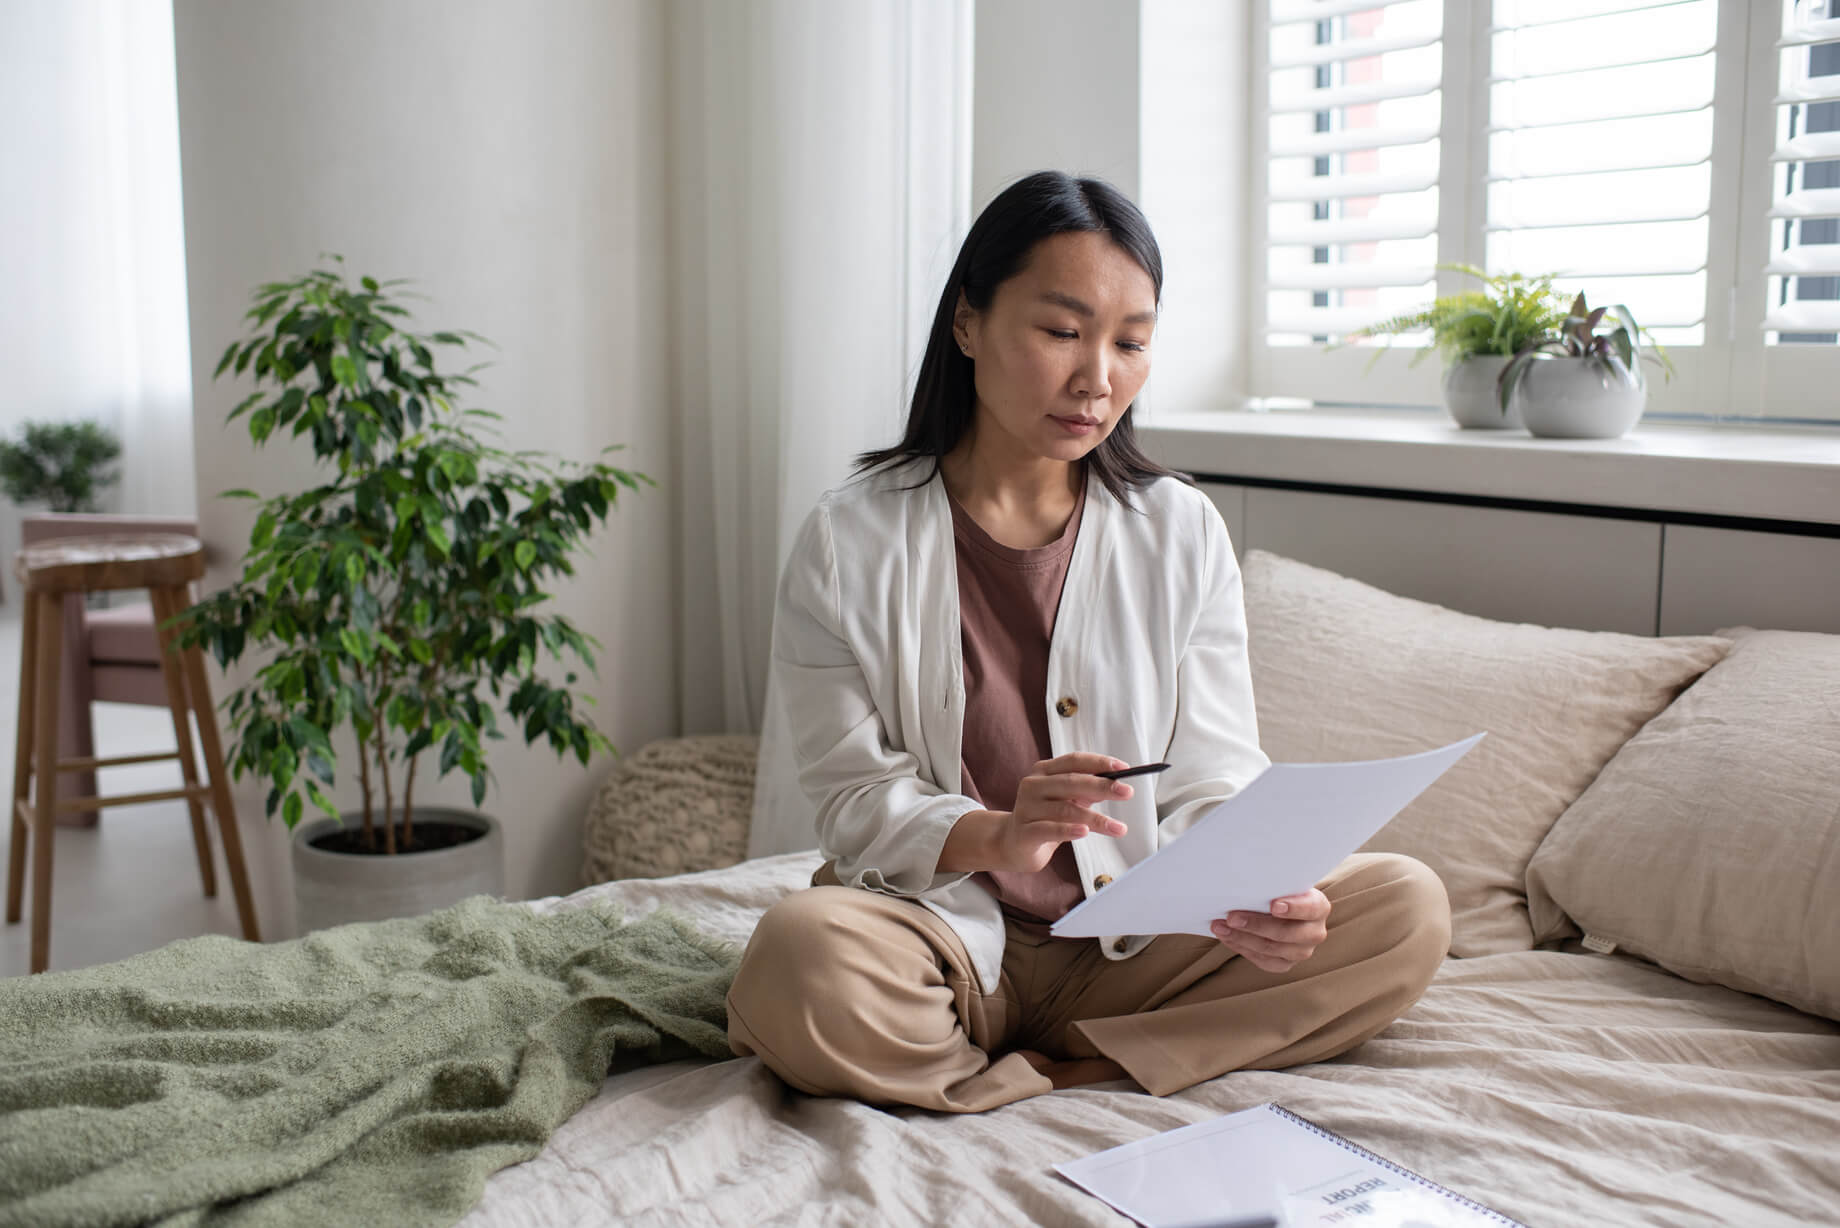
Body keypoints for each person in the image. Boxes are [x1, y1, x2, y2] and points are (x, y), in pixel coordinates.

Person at [725, 171, 1451, 1113]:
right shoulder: (847, 540)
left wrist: (1259, 898)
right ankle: (1098, 1062)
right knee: (800, 954)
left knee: (1404, 907)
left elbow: (1214, 771)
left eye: (1132, 343)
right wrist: (998, 834)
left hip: (1139, 945)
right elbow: (854, 800)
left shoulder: (1181, 529)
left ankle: (1067, 1074)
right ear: (968, 323)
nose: (1097, 378)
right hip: (942, 942)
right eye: (1063, 331)